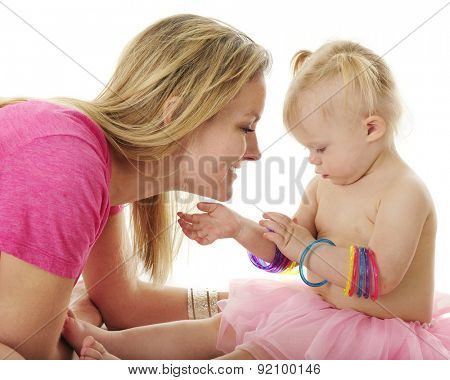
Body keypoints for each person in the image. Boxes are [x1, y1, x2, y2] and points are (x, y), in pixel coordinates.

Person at [61, 40, 450, 360]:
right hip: (319, 310)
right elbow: (284, 255)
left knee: (250, 357)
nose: (312, 160)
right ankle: (115, 345)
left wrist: (306, 248)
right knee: (216, 328)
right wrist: (240, 228)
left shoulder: (403, 192)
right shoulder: (324, 184)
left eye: (320, 148)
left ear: (370, 129)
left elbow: (376, 279)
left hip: (379, 335)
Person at [0, 14, 270, 359]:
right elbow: (31, 357)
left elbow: (122, 303)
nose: (256, 153)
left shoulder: (100, 166)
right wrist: (81, 317)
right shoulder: (66, 160)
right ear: (178, 113)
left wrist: (267, 308)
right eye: (246, 128)